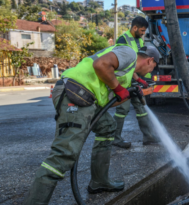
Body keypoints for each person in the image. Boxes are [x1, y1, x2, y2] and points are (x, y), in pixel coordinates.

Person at [23, 45, 159, 205]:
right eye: (153, 68)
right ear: (150, 60)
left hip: (85, 97)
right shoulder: (129, 53)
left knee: (107, 126)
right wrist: (119, 88)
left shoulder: (126, 70)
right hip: (74, 92)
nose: (151, 72)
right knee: (64, 154)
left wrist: (128, 92)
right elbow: (100, 64)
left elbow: (109, 102)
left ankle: (99, 181)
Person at [113, 16, 158, 148]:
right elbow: (126, 63)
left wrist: (141, 79)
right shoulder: (123, 39)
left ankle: (148, 136)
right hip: (126, 80)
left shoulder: (139, 39)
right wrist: (138, 79)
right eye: (142, 30)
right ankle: (116, 138)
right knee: (123, 109)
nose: (144, 33)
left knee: (141, 108)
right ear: (134, 27)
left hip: (135, 79)